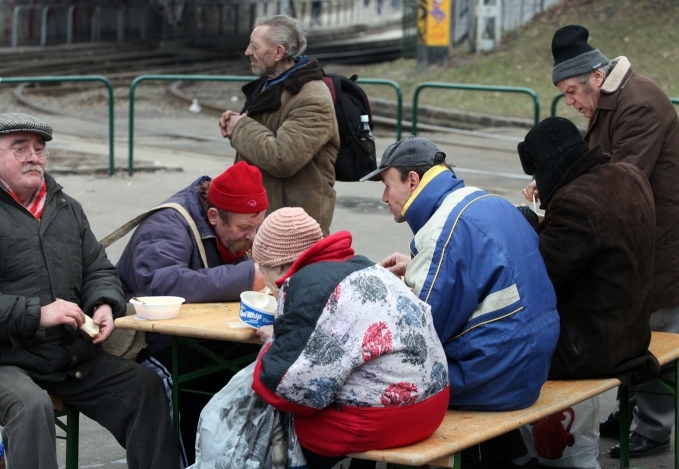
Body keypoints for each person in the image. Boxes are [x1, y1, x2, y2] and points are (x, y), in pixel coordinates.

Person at [523, 24, 679, 458]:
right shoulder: (612, 100)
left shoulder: (639, 103)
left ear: (595, 76)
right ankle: (632, 410)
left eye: (573, 92)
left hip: (660, 245)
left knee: (659, 333)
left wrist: (561, 190)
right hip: (635, 238)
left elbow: (621, 178)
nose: (571, 103)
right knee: (630, 328)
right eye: (565, 95)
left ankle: (655, 426)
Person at [0, 113, 177, 469]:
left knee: (145, 387)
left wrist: (105, 304)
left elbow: (98, 269)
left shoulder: (65, 208)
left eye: (39, 149)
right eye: (20, 148)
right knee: (30, 405)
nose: (34, 157)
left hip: (65, 355)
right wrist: (39, 313)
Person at [363, 136, 560, 468]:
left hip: (496, 374)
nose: (384, 197)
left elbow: (420, 336)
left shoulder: (443, 231)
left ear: (412, 180)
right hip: (533, 361)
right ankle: (512, 458)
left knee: (379, 382)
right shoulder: (485, 201)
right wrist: (417, 265)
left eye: (387, 185)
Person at [250, 207, 450, 469]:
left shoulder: (306, 285)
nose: (266, 282)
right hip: (433, 408)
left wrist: (272, 343)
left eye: (264, 271)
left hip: (390, 419)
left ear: (277, 264)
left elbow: (289, 391)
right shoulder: (363, 267)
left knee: (297, 426)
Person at [116, 161, 268, 465]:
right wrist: (244, 278)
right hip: (152, 336)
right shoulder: (167, 225)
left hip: (206, 330)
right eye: (243, 228)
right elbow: (159, 282)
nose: (253, 236)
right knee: (183, 384)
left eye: (258, 225)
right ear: (213, 216)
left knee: (258, 365)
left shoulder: (238, 225)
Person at [517, 117, 660, 384]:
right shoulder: (631, 175)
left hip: (587, 349)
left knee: (495, 353)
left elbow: (540, 275)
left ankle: (512, 426)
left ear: (546, 168)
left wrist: (526, 228)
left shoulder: (575, 202)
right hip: (632, 336)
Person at [219, 14, 340, 235]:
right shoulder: (272, 85)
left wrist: (241, 127)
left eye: (255, 46)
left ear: (279, 52)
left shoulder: (311, 97)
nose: (248, 52)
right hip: (269, 216)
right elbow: (268, 129)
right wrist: (240, 121)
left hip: (294, 227)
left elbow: (283, 157)